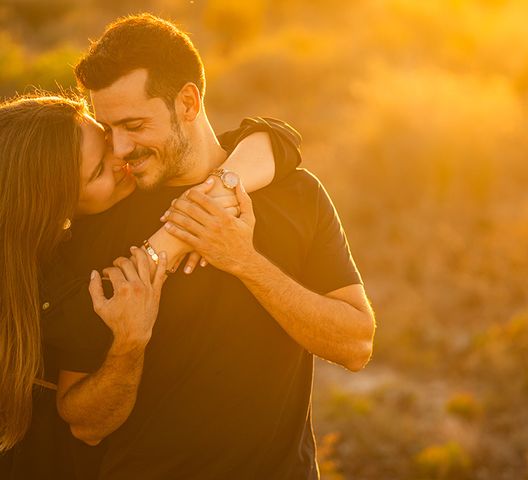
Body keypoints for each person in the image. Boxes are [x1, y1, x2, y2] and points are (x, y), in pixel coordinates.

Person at [56, 13, 376, 479]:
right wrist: (129, 342)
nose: (120, 149)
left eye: (134, 125)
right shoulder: (100, 224)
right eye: (110, 130)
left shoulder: (293, 192)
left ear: (187, 101)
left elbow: (356, 344)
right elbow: (84, 425)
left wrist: (244, 261)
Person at [0, 93, 304, 479]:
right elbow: (100, 303)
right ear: (56, 208)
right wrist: (183, 232)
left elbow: (276, 139)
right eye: (98, 172)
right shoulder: (57, 283)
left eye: (107, 139)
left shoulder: (116, 203)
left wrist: (212, 195)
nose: (121, 160)